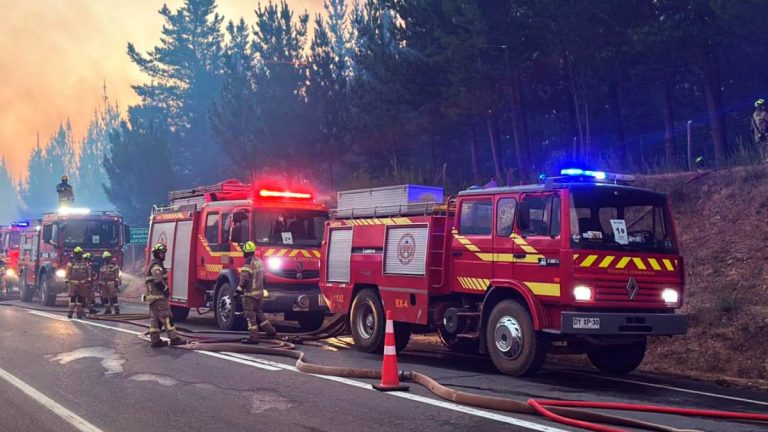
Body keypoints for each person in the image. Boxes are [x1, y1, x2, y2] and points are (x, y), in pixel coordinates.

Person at [144, 243, 186, 347]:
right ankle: (174, 338)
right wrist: (166, 289)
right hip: (159, 298)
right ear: (156, 253)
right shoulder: (156, 266)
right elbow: (157, 280)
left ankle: (155, 340)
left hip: (153, 298)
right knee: (167, 317)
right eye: (162, 253)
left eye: (164, 253)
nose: (164, 255)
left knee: (155, 320)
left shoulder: (154, 264)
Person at [235, 241, 276, 344]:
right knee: (260, 314)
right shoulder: (259, 261)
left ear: (246, 252)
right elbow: (264, 278)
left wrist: (238, 291)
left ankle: (253, 337)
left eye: (244, 251)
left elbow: (244, 279)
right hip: (259, 294)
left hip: (250, 295)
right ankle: (271, 331)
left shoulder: (248, 262)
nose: (243, 253)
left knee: (250, 316)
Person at [65, 247, 90, 319]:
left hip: (82, 284)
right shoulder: (71, 263)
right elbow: (67, 273)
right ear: (75, 254)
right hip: (73, 284)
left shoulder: (85, 263)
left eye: (80, 254)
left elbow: (88, 273)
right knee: (72, 299)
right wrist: (66, 282)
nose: (79, 255)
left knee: (80, 299)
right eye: (78, 254)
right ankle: (70, 313)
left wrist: (88, 281)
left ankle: (79, 313)